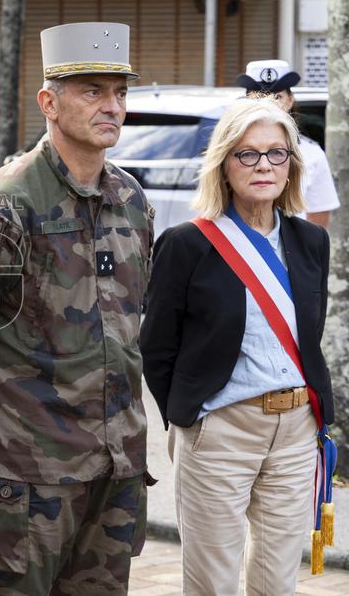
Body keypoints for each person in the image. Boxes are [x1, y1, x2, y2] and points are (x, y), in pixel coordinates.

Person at [0, 22, 155, 595]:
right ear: (49, 102)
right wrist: (9, 417)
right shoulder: (1, 207)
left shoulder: (129, 201)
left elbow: (128, 325)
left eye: (120, 92)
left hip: (115, 464)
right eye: (92, 91)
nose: (112, 106)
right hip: (28, 471)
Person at [141, 98, 334, 595]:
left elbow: (308, 334)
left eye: (276, 153)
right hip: (220, 431)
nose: (264, 165)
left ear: (292, 164)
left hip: (295, 434)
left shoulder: (311, 241)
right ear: (224, 164)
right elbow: (157, 347)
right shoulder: (187, 244)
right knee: (214, 584)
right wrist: (192, 415)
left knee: (277, 582)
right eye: (247, 154)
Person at [237, 59, 340, 228]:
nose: (269, 104)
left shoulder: (312, 154)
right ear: (246, 100)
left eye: (277, 97)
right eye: (260, 97)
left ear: (290, 100)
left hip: (289, 250)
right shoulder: (228, 151)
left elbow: (319, 217)